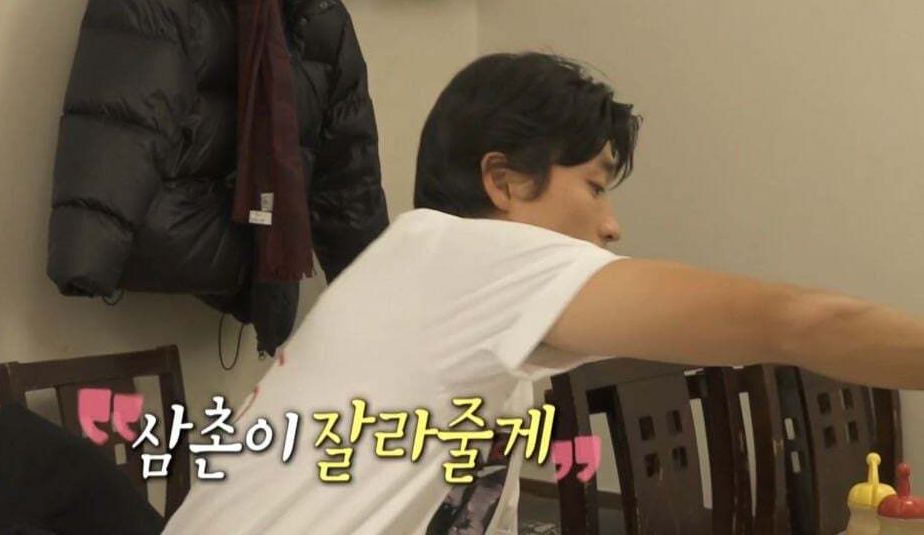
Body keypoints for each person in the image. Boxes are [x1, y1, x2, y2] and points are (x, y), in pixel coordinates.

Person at [160, 52, 924, 535]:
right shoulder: (464, 255)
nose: (612, 223)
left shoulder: (437, 281)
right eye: (594, 185)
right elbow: (796, 323)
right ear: (502, 181)